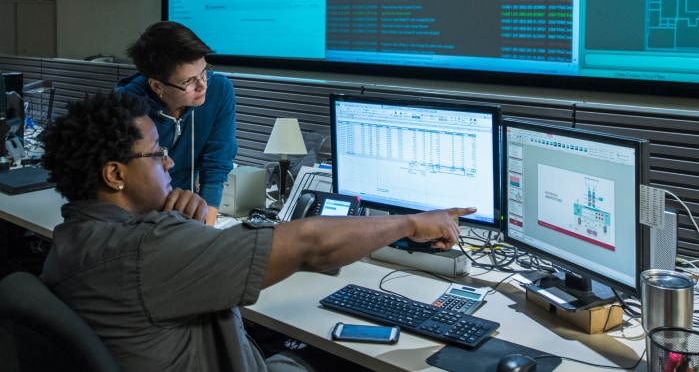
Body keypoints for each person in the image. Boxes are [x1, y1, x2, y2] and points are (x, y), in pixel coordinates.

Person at [38, 91, 476, 372]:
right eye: (157, 156)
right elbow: (309, 245)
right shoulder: (144, 250)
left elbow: (160, 275)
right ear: (115, 174)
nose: (170, 164)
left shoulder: (75, 236)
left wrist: (181, 227)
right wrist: (412, 222)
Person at [115, 20, 237, 226]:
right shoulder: (127, 104)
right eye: (188, 81)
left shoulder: (220, 90)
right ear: (156, 85)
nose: (203, 86)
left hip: (188, 212)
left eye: (204, 71)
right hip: (138, 217)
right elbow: (126, 182)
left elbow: (215, 165)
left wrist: (205, 232)